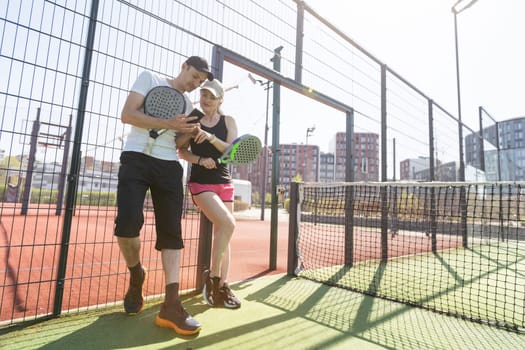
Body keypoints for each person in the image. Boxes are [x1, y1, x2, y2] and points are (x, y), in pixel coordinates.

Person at [115, 56, 214, 335]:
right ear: (184, 67)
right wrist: (170, 123)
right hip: (135, 157)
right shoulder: (150, 78)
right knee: (126, 226)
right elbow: (128, 115)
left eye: (201, 81)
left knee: (172, 232)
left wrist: (191, 133)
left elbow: (177, 142)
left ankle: (172, 304)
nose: (196, 83)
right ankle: (137, 274)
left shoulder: (188, 107)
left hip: (169, 165)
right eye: (194, 76)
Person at [177, 79, 242, 309]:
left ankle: (223, 285)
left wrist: (211, 137)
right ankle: (213, 280)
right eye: (203, 94)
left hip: (224, 182)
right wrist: (201, 160)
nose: (205, 99)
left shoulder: (228, 121)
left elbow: (232, 150)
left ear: (220, 100)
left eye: (211, 97)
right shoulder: (193, 119)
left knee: (226, 231)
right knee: (228, 223)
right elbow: (181, 150)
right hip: (201, 184)